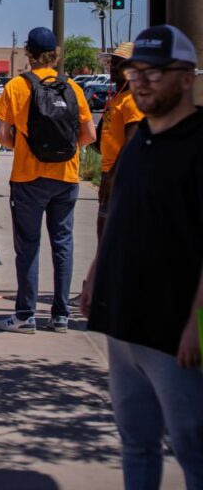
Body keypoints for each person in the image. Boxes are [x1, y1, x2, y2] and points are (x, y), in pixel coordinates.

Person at [81, 25, 202, 489]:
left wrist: (199, 324)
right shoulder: (139, 145)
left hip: (177, 332)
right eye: (136, 73)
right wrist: (95, 276)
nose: (142, 82)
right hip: (124, 322)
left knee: (193, 447)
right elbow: (120, 218)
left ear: (187, 77)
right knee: (135, 442)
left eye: (156, 72)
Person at [0, 27, 96, 334]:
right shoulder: (72, 87)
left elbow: (3, 136)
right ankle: (61, 316)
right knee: (63, 243)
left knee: (28, 246)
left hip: (28, 178)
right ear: (56, 54)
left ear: (28, 52)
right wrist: (64, 151)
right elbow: (90, 134)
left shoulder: (16, 86)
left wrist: (30, 149)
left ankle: (25, 315)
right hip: (66, 176)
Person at [93, 41, 143, 243]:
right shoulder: (118, 97)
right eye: (112, 63)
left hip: (122, 177)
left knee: (110, 238)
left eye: (119, 64)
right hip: (111, 173)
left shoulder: (132, 100)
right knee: (105, 235)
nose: (112, 68)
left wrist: (111, 177)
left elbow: (131, 142)